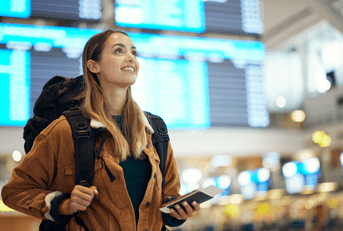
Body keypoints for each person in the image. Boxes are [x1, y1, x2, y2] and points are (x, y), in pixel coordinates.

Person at [1, 30, 200, 231]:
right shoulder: (65, 130)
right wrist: (64, 204)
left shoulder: (155, 131)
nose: (130, 57)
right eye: (119, 51)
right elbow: (15, 192)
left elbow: (168, 197)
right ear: (93, 65)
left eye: (133, 52)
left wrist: (177, 213)